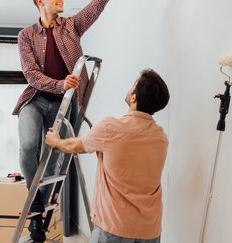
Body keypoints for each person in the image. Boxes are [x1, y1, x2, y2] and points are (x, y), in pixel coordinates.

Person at [15, 0, 110, 241]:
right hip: (35, 100)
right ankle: (35, 202)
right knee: (27, 147)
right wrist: (59, 84)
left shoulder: (72, 26)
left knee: (54, 159)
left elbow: (95, 8)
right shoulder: (26, 35)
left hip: (62, 105)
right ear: (40, 2)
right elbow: (30, 73)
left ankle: (38, 217)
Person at [45, 69, 170, 243]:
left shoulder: (110, 128)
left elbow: (75, 145)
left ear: (134, 98)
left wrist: (56, 141)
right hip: (150, 230)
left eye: (132, 86)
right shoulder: (161, 137)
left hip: (115, 228)